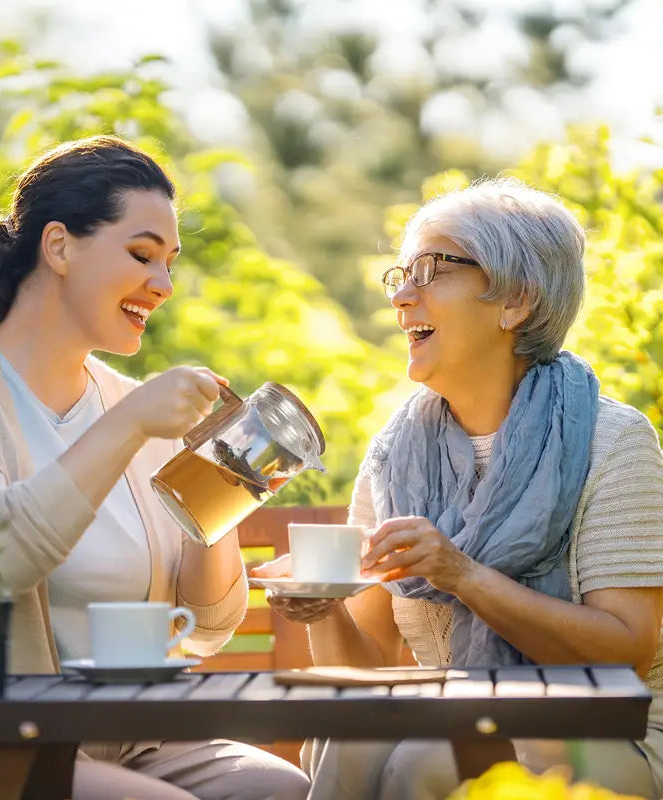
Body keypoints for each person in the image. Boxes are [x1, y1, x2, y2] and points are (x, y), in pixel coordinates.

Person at [0, 135, 309, 800]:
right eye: (141, 255)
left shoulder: (131, 406)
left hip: (128, 740)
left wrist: (219, 485)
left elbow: (208, 625)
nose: (162, 286)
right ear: (59, 247)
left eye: (169, 264)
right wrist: (129, 427)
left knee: (281, 789)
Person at [253, 177, 663, 799]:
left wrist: (463, 574)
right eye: (402, 276)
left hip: (608, 731)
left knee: (427, 758)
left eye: (433, 269)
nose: (403, 298)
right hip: (447, 718)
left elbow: (625, 658)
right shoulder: (395, 455)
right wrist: (325, 604)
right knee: (354, 738)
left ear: (516, 300)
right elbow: (366, 674)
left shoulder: (612, 442)